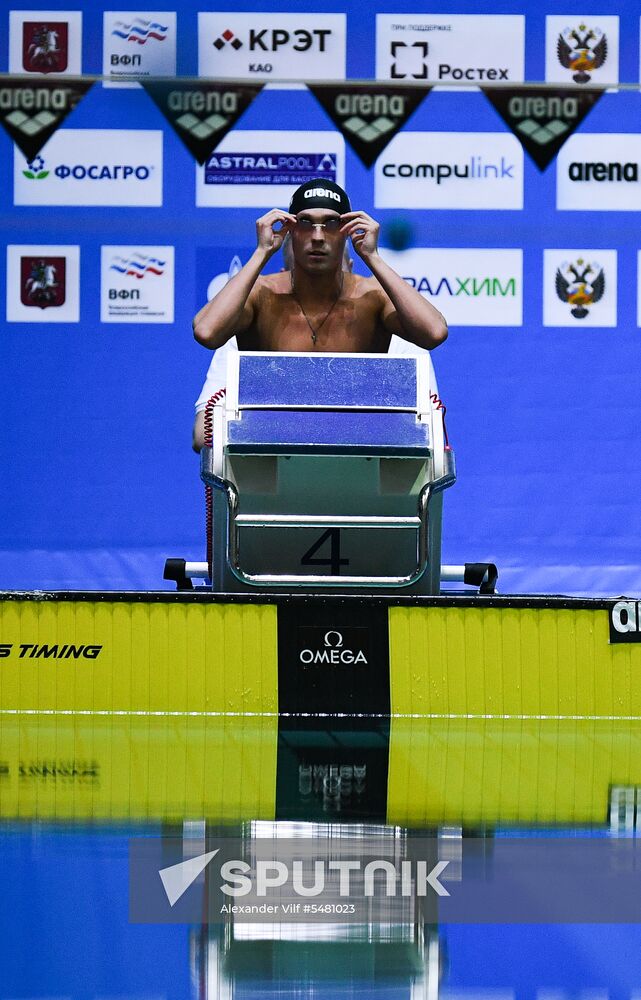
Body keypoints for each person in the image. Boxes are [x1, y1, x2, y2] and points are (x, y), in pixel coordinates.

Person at [192, 178, 448, 448]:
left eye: (332, 224)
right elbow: (206, 332)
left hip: (355, 452)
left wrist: (372, 257)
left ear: (347, 231)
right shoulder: (261, 295)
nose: (317, 236)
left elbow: (435, 332)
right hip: (270, 455)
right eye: (304, 223)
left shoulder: (371, 297)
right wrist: (261, 253)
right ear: (290, 231)